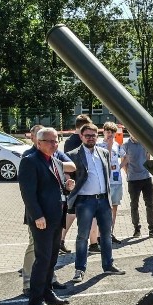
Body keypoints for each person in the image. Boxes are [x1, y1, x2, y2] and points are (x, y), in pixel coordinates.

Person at [18, 127, 75, 305]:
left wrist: (67, 187)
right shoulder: (30, 161)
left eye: (56, 140)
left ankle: (48, 293)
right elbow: (28, 193)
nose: (54, 144)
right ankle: (35, 301)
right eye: (50, 141)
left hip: (56, 216)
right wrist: (37, 216)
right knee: (42, 260)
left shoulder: (55, 161)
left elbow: (56, 189)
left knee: (52, 258)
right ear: (38, 142)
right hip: (42, 219)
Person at [67, 123, 126, 282]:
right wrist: (69, 184)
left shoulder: (104, 153)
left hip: (103, 200)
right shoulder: (73, 155)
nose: (91, 138)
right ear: (81, 136)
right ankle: (79, 269)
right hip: (85, 201)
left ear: (97, 136)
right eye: (87, 135)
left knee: (106, 235)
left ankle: (108, 265)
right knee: (82, 236)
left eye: (93, 135)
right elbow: (67, 175)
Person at [121, 132, 153, 239]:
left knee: (150, 204)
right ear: (130, 132)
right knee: (134, 205)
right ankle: (136, 229)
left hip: (146, 178)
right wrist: (130, 174)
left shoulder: (144, 143)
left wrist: (147, 171)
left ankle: (152, 229)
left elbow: (148, 158)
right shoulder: (125, 145)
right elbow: (124, 163)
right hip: (133, 180)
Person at [60, 114, 93, 253]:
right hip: (77, 183)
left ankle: (95, 241)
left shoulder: (71, 141)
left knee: (81, 214)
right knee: (71, 214)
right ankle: (60, 240)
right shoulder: (73, 142)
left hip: (81, 182)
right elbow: (69, 165)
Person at [97, 122, 123, 245]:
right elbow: (104, 159)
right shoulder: (99, 145)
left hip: (116, 181)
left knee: (114, 207)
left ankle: (110, 233)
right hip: (104, 182)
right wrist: (109, 144)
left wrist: (120, 167)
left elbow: (125, 156)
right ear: (104, 132)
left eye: (112, 132)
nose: (110, 134)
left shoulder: (117, 145)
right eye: (108, 132)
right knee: (103, 209)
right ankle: (99, 235)